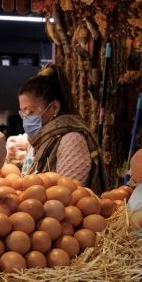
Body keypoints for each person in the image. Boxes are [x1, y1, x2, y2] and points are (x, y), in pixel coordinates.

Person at [17, 64, 108, 193]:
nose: (26, 119)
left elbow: (65, 196)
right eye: (23, 113)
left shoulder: (72, 140)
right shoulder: (39, 141)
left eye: (30, 112)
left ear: (54, 107)